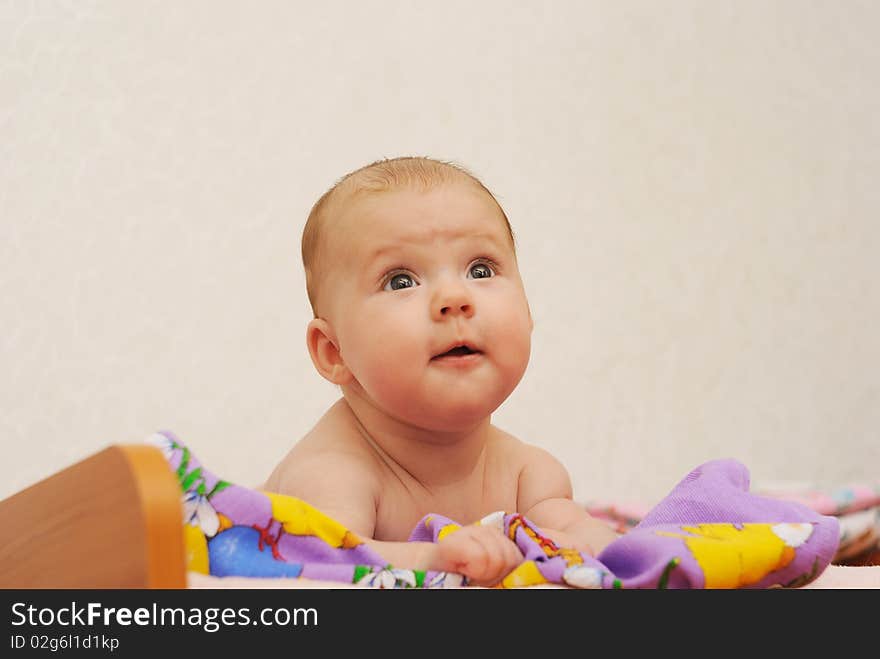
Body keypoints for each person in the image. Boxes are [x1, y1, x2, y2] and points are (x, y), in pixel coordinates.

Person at [264, 156, 618, 586]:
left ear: (527, 313)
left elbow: (585, 545)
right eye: (400, 280)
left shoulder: (531, 475)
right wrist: (433, 558)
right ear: (333, 351)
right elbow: (321, 563)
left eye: (480, 270)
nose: (454, 297)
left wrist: (603, 544)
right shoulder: (333, 473)